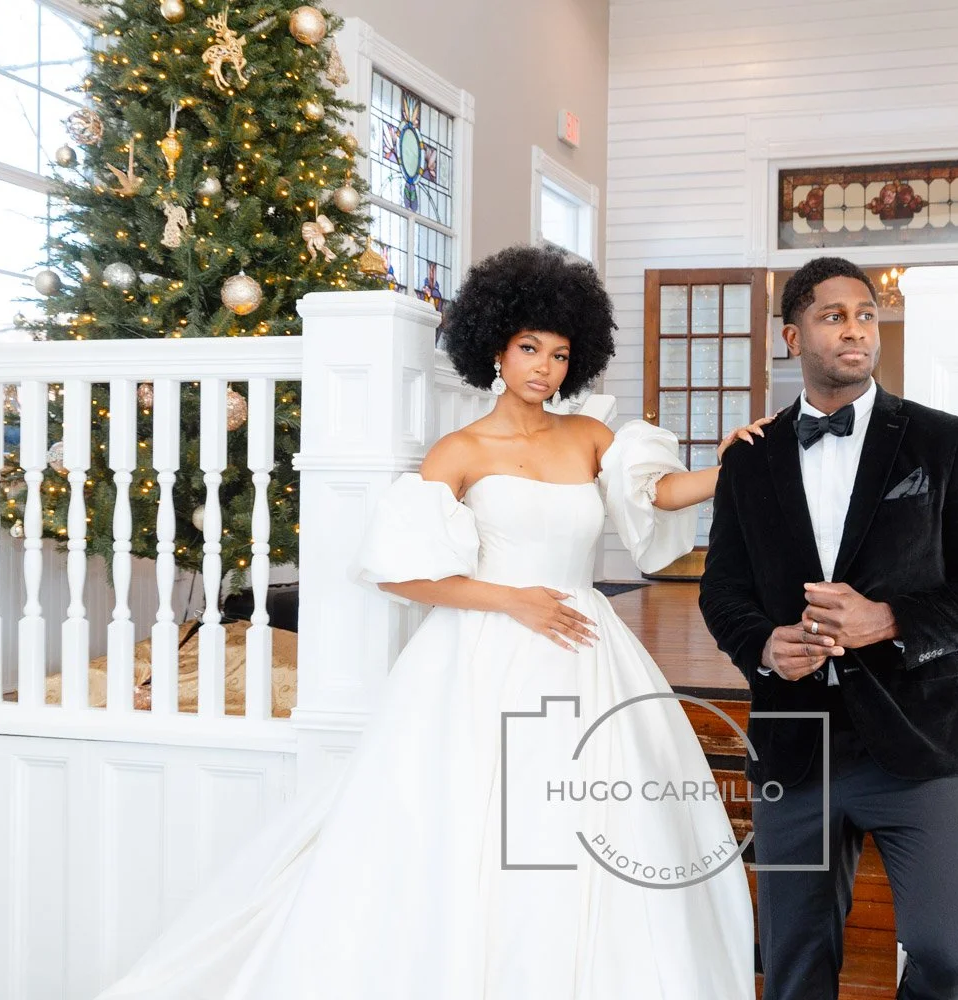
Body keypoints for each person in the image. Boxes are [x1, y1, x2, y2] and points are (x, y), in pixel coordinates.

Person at [94, 245, 768, 999]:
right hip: (486, 652)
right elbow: (400, 571)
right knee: (474, 830)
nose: (543, 367)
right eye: (528, 349)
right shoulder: (460, 452)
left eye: (558, 353)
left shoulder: (590, 439)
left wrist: (735, 462)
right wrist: (511, 599)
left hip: (584, 647)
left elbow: (661, 494)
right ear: (495, 348)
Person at [698, 256, 958, 1000]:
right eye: (832, 315)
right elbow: (724, 593)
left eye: (865, 314)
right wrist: (763, 649)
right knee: (794, 968)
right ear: (792, 336)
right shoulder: (749, 463)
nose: (855, 329)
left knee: (956, 952)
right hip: (794, 741)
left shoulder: (945, 444)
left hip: (919, 739)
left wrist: (891, 620)